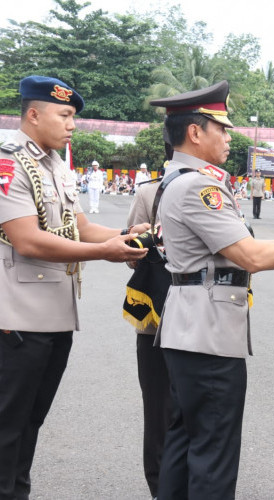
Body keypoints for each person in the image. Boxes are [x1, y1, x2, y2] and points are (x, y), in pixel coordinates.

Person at [149, 81, 274, 500]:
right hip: (207, 336)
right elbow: (250, 257)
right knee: (214, 452)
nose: (228, 137)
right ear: (195, 133)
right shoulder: (197, 187)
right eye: (221, 129)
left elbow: (240, 249)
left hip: (191, 329)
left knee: (186, 440)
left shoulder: (178, 180)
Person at [0, 75, 150, 500]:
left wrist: (123, 233)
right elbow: (27, 238)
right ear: (33, 114)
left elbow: (79, 226)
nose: (72, 125)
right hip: (16, 316)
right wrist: (105, 252)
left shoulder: (56, 165)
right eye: (64, 115)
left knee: (31, 421)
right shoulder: (8, 161)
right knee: (7, 425)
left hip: (55, 315)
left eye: (73, 117)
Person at [124, 167, 171, 499]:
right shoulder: (148, 193)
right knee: (158, 405)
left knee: (198, 405)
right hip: (155, 312)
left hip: (203, 315)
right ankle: (160, 486)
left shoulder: (218, 186)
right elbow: (131, 255)